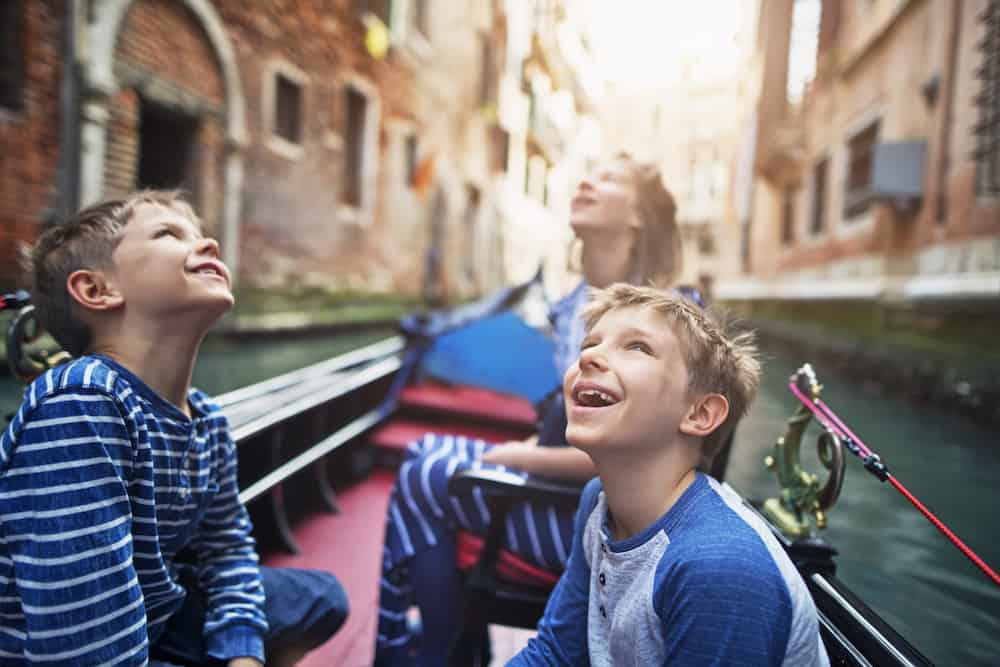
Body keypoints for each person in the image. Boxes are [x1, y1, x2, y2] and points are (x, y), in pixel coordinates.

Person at [0, 191, 348, 666]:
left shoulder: (207, 419)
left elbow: (227, 550)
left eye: (200, 233)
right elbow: (85, 650)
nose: (209, 244)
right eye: (169, 233)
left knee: (321, 597)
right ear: (97, 291)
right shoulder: (80, 408)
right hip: (68, 647)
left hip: (154, 612)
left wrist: (243, 653)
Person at [374, 153, 684, 665]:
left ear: (637, 217)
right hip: (560, 491)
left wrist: (516, 457)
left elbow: (626, 460)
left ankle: (428, 653)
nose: (586, 179)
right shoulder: (576, 306)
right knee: (422, 453)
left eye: (606, 177)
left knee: (426, 475)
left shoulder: (662, 319)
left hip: (601, 522)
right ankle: (438, 648)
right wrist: (521, 453)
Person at [509, 284, 829, 666]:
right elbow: (556, 654)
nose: (590, 356)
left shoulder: (715, 567)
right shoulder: (598, 502)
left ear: (699, 414)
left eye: (638, 347)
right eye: (589, 344)